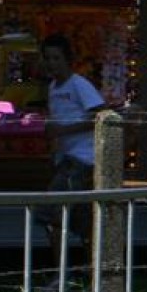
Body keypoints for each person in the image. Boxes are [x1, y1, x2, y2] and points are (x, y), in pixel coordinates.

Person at [39, 34, 108, 254]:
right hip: (65, 157)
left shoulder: (79, 84)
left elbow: (102, 116)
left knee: (53, 213)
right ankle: (84, 265)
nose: (52, 63)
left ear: (68, 60)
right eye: (48, 58)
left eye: (56, 58)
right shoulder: (53, 87)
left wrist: (65, 130)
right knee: (81, 219)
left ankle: (61, 266)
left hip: (82, 159)